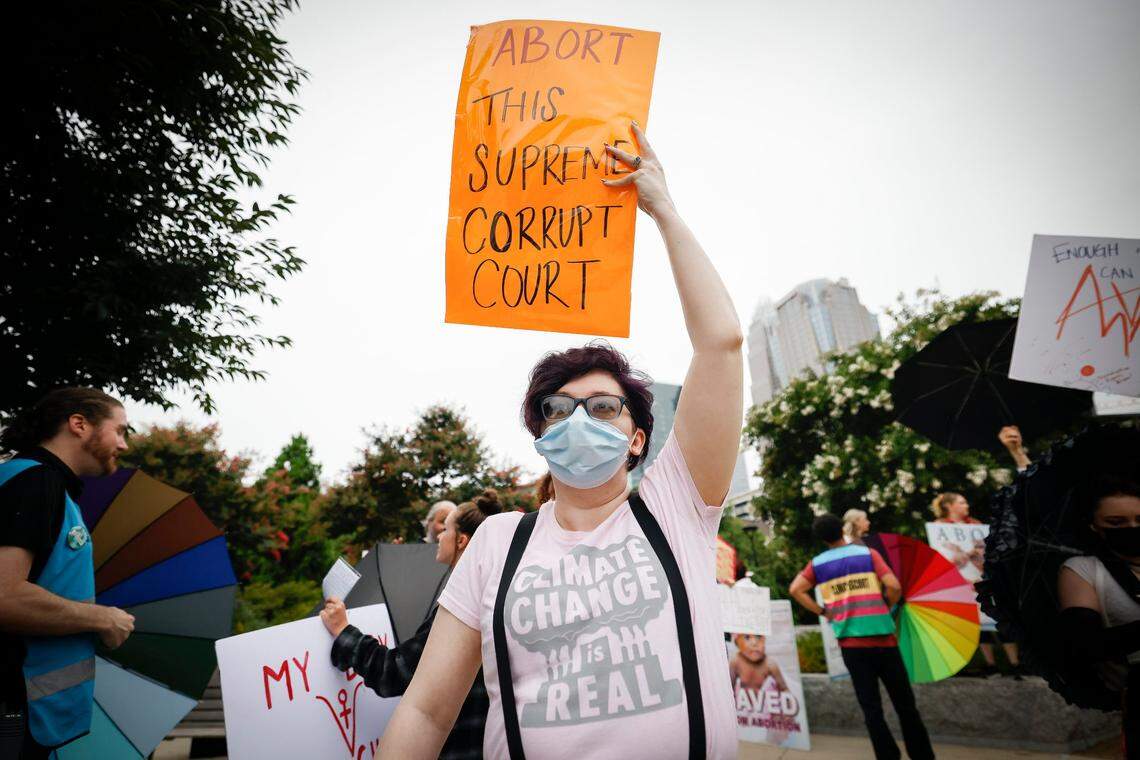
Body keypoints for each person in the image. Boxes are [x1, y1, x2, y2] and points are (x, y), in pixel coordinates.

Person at [377, 122, 743, 759]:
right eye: (559, 409)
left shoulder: (677, 507)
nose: (580, 420)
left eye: (604, 408)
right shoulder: (495, 543)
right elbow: (427, 709)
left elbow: (721, 343)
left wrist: (662, 208)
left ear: (637, 439)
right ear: (539, 434)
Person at [0, 388, 135, 759]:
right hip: (12, 709)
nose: (124, 445)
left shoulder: (44, 485)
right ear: (79, 424)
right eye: (119, 430)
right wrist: (100, 618)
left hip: (27, 713)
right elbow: (5, 596)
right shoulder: (35, 482)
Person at [320, 490, 502, 760]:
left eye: (447, 529)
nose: (439, 536)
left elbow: (393, 672)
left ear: (462, 540)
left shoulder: (460, 610)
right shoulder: (497, 596)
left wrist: (344, 631)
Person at [790, 513, 934, 760]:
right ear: (841, 530)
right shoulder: (868, 554)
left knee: (871, 709)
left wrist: (825, 612)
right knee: (905, 705)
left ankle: (887, 755)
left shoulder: (817, 564)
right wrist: (885, 605)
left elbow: (796, 589)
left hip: (852, 645)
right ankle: (922, 755)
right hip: (884, 640)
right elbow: (894, 586)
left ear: (822, 538)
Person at [1058, 471, 1140, 756]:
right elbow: (1086, 644)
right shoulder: (1083, 569)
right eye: (1116, 523)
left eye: (1139, 520)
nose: (1132, 528)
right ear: (1095, 526)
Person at [932, 491, 1022, 678]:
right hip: (960, 586)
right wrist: (967, 553)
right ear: (949, 506)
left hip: (982, 580)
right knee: (978, 625)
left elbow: (987, 553)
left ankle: (1015, 664)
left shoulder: (975, 525)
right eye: (962, 502)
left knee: (999, 619)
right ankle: (990, 664)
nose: (966, 506)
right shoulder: (939, 528)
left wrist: (971, 555)